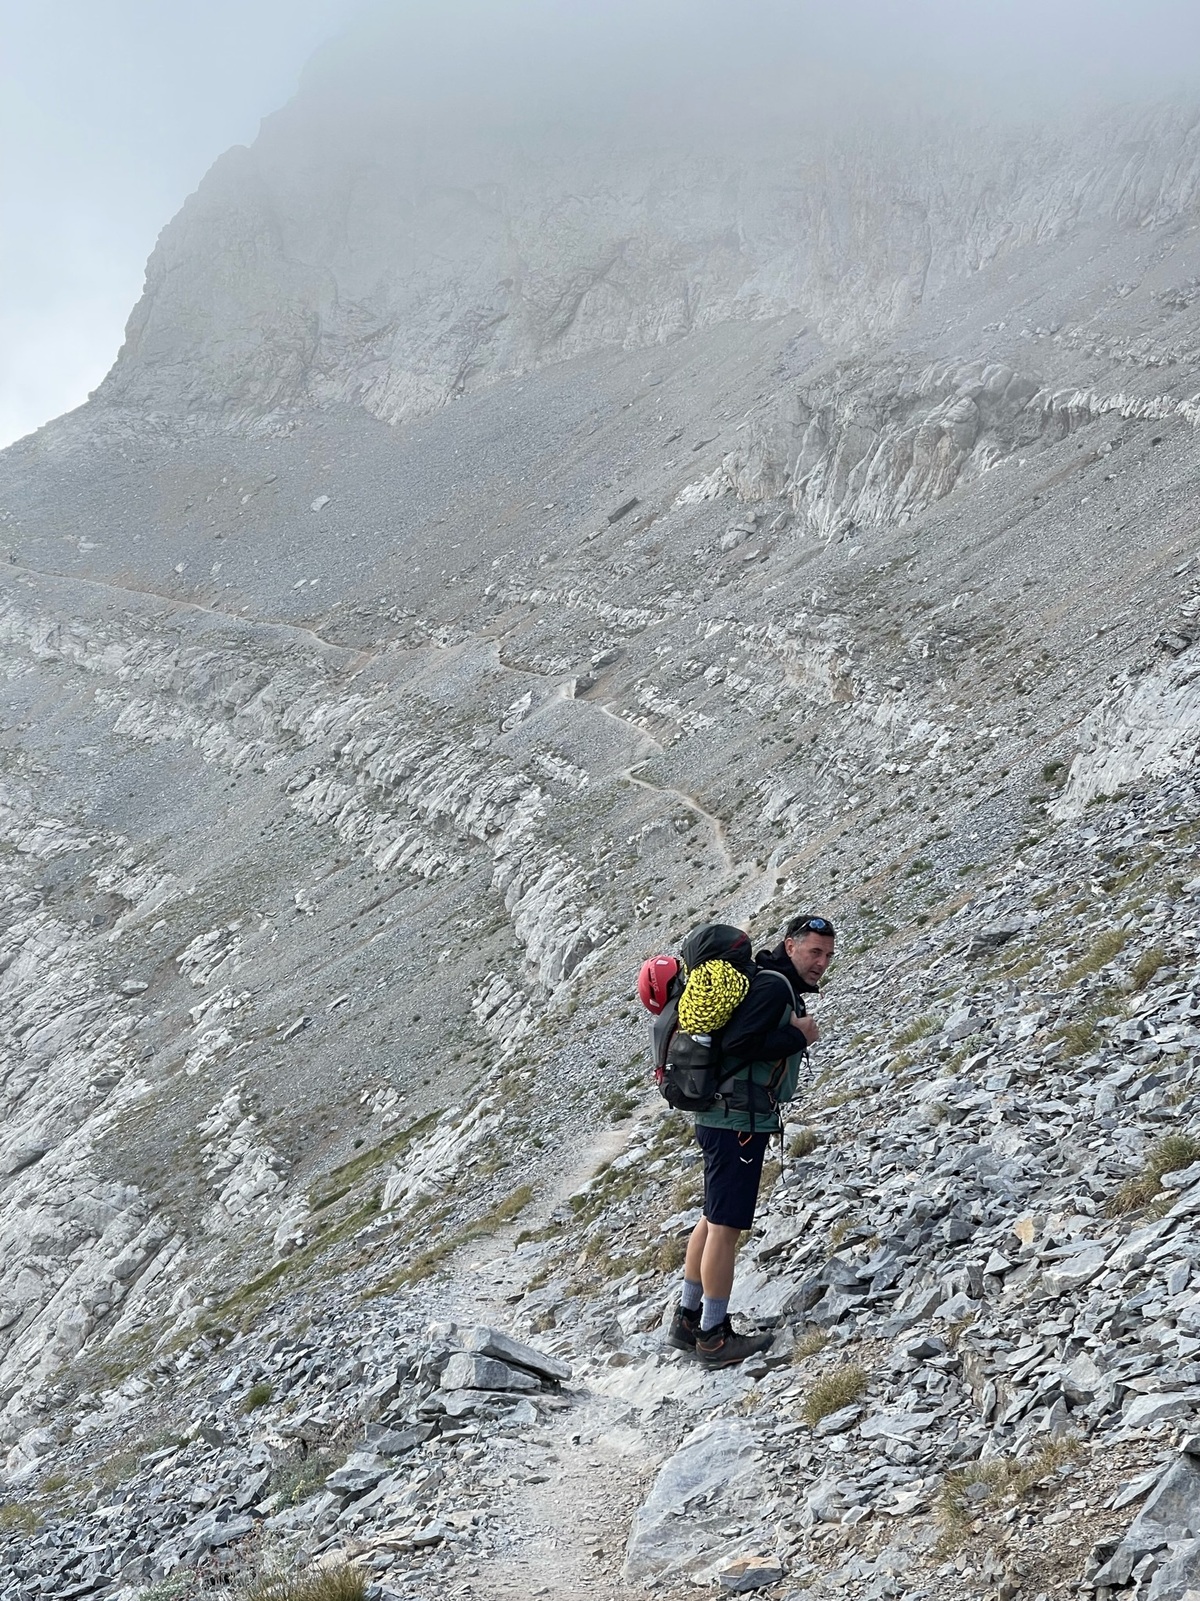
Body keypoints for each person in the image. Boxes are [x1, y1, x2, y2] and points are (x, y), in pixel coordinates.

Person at [667, 914, 836, 1368]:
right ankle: (714, 1338)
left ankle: (687, 1319)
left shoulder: (766, 981)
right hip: (736, 1119)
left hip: (722, 1114)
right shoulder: (773, 987)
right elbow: (739, 1044)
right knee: (727, 1228)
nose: (821, 962)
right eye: (814, 952)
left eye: (827, 955)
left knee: (712, 1216)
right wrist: (796, 1036)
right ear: (790, 945)